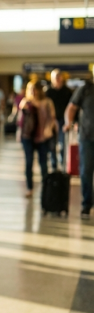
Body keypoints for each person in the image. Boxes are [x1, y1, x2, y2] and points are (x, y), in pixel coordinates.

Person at [17, 81, 56, 197]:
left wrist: (47, 131)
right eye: (31, 89)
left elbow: (51, 119)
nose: (33, 92)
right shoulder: (25, 102)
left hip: (43, 137)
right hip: (28, 137)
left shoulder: (47, 102)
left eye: (35, 89)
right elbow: (20, 121)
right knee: (29, 162)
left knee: (43, 164)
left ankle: (45, 189)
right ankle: (29, 188)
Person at [65, 75, 94, 219]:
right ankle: (87, 204)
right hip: (87, 136)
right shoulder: (85, 89)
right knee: (86, 171)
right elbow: (72, 107)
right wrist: (68, 124)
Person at [46, 69, 73, 171]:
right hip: (51, 121)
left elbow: (72, 107)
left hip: (63, 121)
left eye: (59, 76)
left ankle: (62, 166)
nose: (57, 79)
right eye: (55, 77)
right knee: (52, 145)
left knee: (62, 144)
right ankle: (54, 166)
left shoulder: (67, 91)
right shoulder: (48, 92)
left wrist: (69, 122)